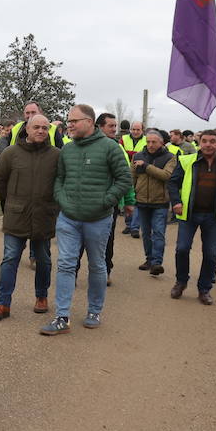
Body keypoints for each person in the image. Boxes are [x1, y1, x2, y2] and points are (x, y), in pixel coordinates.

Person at [39, 103, 131, 335]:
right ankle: (62, 317)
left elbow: (124, 179)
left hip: (98, 219)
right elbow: (59, 179)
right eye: (68, 121)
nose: (69, 125)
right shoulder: (67, 150)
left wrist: (105, 201)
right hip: (68, 218)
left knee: (97, 264)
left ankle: (94, 311)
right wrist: (62, 199)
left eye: (74, 121)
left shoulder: (110, 147)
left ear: (89, 122)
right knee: (66, 264)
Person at [0, 113, 59, 319]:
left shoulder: (55, 155)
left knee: (44, 260)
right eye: (36, 127)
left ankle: (41, 297)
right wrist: (15, 200)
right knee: (10, 259)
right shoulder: (11, 153)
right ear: (26, 129)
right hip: (16, 216)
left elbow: (60, 182)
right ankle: (3, 304)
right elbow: (0, 180)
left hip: (43, 216)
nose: (40, 131)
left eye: (45, 128)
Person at [167, 129, 216, 306]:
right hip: (189, 214)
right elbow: (173, 182)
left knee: (211, 254)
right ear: (199, 143)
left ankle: (204, 289)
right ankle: (181, 282)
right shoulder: (187, 161)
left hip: (213, 216)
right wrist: (176, 201)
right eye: (204, 141)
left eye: (212, 141)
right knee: (182, 249)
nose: (207, 144)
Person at [94, 112, 136, 280]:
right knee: (81, 241)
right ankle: (73, 272)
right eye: (110, 126)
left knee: (107, 240)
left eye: (115, 126)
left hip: (109, 203)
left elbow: (125, 177)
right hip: (85, 202)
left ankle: (106, 271)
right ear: (99, 127)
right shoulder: (83, 145)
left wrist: (129, 201)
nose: (114, 129)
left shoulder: (118, 148)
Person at [132, 129, 175, 276]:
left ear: (161, 142)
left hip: (160, 202)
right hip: (142, 200)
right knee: (145, 233)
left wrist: (146, 166)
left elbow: (166, 175)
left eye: (154, 142)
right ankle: (149, 260)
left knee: (158, 233)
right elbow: (133, 178)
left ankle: (157, 263)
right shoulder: (138, 156)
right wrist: (130, 198)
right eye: (148, 141)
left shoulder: (170, 157)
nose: (150, 144)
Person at [120, 120, 147, 237]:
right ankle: (128, 224)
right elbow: (121, 152)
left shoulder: (147, 140)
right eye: (133, 129)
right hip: (126, 171)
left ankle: (134, 227)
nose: (135, 132)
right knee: (128, 199)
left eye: (138, 130)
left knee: (137, 200)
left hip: (141, 173)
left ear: (142, 130)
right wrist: (135, 154)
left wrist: (130, 153)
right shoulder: (123, 138)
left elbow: (145, 154)